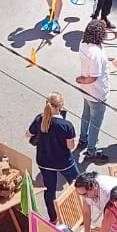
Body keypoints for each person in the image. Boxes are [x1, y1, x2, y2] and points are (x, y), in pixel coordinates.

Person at [27, 93, 79, 221]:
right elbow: (70, 147)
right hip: (63, 162)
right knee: (78, 184)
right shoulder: (66, 125)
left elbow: (28, 134)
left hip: (44, 161)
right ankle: (79, 212)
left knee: (49, 190)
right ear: (61, 106)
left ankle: (53, 217)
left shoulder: (40, 119)